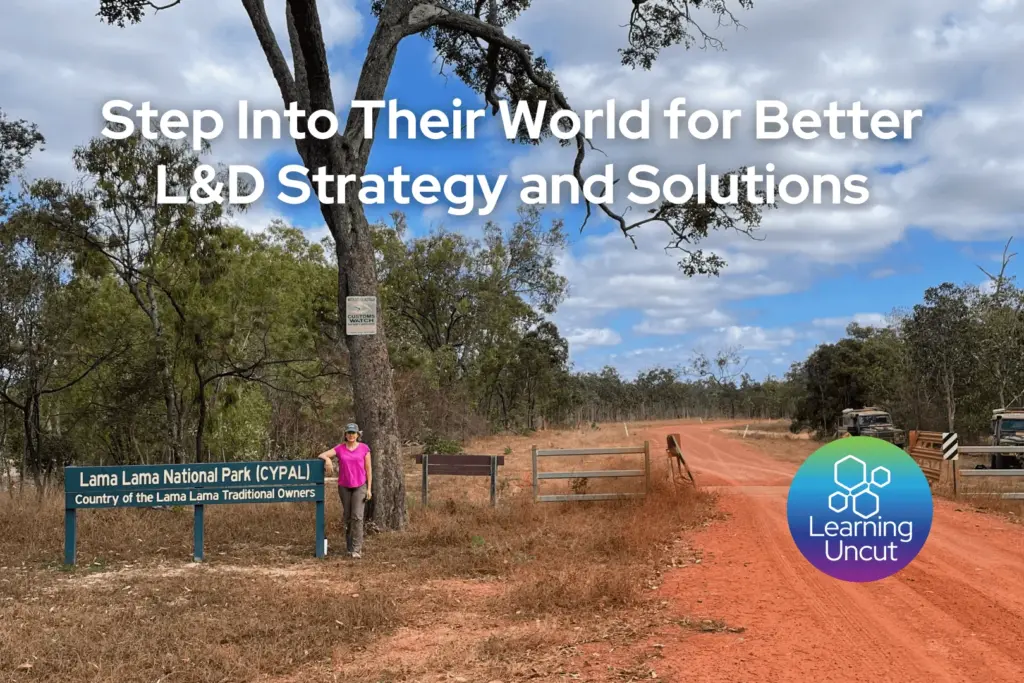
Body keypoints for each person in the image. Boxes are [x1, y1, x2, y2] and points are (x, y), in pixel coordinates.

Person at [318, 423, 372, 558]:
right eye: (349, 433)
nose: (351, 435)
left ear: (357, 435)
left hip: (360, 485)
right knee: (348, 517)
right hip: (344, 486)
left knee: (357, 516)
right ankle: (349, 546)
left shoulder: (364, 448)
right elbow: (322, 454)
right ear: (345, 434)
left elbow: (368, 469)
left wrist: (369, 488)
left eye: (353, 433)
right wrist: (328, 460)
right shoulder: (340, 448)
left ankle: (356, 549)